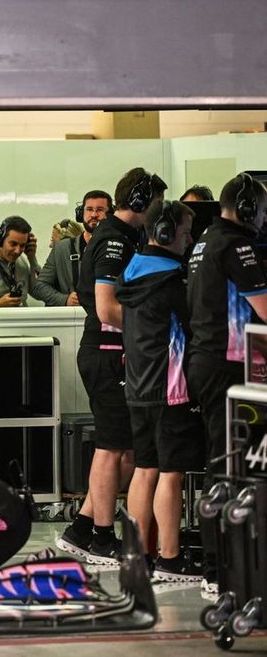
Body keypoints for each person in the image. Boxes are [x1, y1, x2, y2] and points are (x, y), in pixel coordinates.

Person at [56, 168, 166, 567]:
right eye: (156, 205)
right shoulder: (114, 240)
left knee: (126, 450)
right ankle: (101, 538)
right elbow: (106, 308)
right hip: (107, 353)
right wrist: (150, 329)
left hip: (112, 352)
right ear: (139, 202)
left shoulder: (123, 236)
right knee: (111, 449)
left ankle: (83, 528)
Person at [187, 172, 267, 594]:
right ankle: (217, 570)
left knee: (222, 463)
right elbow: (265, 308)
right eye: (263, 210)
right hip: (226, 367)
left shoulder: (205, 241)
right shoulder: (236, 245)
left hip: (208, 361)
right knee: (225, 466)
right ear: (249, 209)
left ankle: (223, 565)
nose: (264, 219)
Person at [116, 200, 204, 582]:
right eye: (185, 232)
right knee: (171, 473)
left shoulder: (131, 271)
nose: (189, 241)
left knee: (145, 469)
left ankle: (138, 555)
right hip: (170, 388)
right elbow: (197, 325)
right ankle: (170, 559)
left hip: (138, 386)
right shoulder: (172, 281)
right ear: (166, 233)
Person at [36, 190, 112, 307]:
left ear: (111, 214)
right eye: (89, 209)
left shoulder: (120, 246)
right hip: (74, 316)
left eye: (100, 210)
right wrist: (64, 299)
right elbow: (40, 286)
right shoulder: (62, 248)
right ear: (81, 213)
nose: (94, 215)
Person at [0, 216, 39, 308]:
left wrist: (32, 259)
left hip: (21, 315)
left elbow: (39, 293)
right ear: (0, 240)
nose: (17, 251)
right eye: (13, 244)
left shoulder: (22, 262)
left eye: (22, 245)